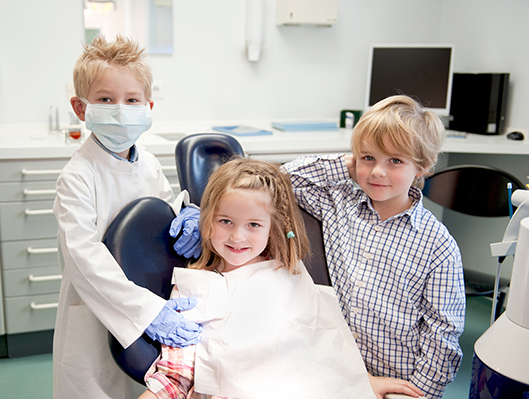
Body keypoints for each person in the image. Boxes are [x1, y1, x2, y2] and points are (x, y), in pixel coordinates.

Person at [142, 158, 423, 399]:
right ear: (206, 220)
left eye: (253, 225)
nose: (237, 236)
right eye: (225, 221)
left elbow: (323, 347)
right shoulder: (195, 286)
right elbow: (176, 376)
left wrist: (362, 382)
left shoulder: (287, 274)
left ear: (272, 226)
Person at [281, 95, 466, 399]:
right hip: (332, 368)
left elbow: (442, 335)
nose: (378, 171)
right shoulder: (337, 203)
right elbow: (282, 180)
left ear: (421, 167)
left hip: (397, 383)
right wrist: (347, 165)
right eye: (368, 158)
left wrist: (418, 393)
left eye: (395, 160)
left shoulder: (438, 244)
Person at [52, 36, 201, 399]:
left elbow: (161, 209)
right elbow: (84, 260)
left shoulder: (148, 163)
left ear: (148, 107)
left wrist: (188, 215)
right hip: (99, 308)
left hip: (149, 296)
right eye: (105, 99)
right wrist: (149, 312)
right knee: (96, 387)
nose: (120, 109)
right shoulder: (77, 176)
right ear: (80, 107)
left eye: (131, 100)